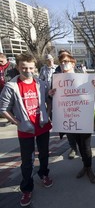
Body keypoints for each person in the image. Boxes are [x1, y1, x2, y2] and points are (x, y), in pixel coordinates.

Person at [0, 53, 53, 207]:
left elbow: (49, 100)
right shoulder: (12, 86)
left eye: (30, 67)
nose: (27, 70)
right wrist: (18, 123)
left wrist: (47, 114)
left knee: (44, 154)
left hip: (42, 126)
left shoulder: (41, 83)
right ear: (17, 67)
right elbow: (3, 109)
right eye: (24, 67)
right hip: (25, 129)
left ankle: (44, 174)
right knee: (27, 161)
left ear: (35, 68)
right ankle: (27, 188)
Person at [49, 53, 95, 184]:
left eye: (66, 61)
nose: (63, 63)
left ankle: (89, 168)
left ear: (73, 63)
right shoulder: (57, 80)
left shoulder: (83, 77)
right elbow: (53, 98)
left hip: (83, 117)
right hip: (69, 119)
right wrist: (50, 94)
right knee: (77, 144)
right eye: (61, 62)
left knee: (86, 146)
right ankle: (85, 165)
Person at [0, 52, 19, 126]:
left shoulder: (13, 66)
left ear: (5, 59)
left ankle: (15, 118)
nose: (0, 62)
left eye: (1, 61)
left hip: (12, 88)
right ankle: (10, 118)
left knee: (14, 103)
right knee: (5, 104)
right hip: (1, 88)